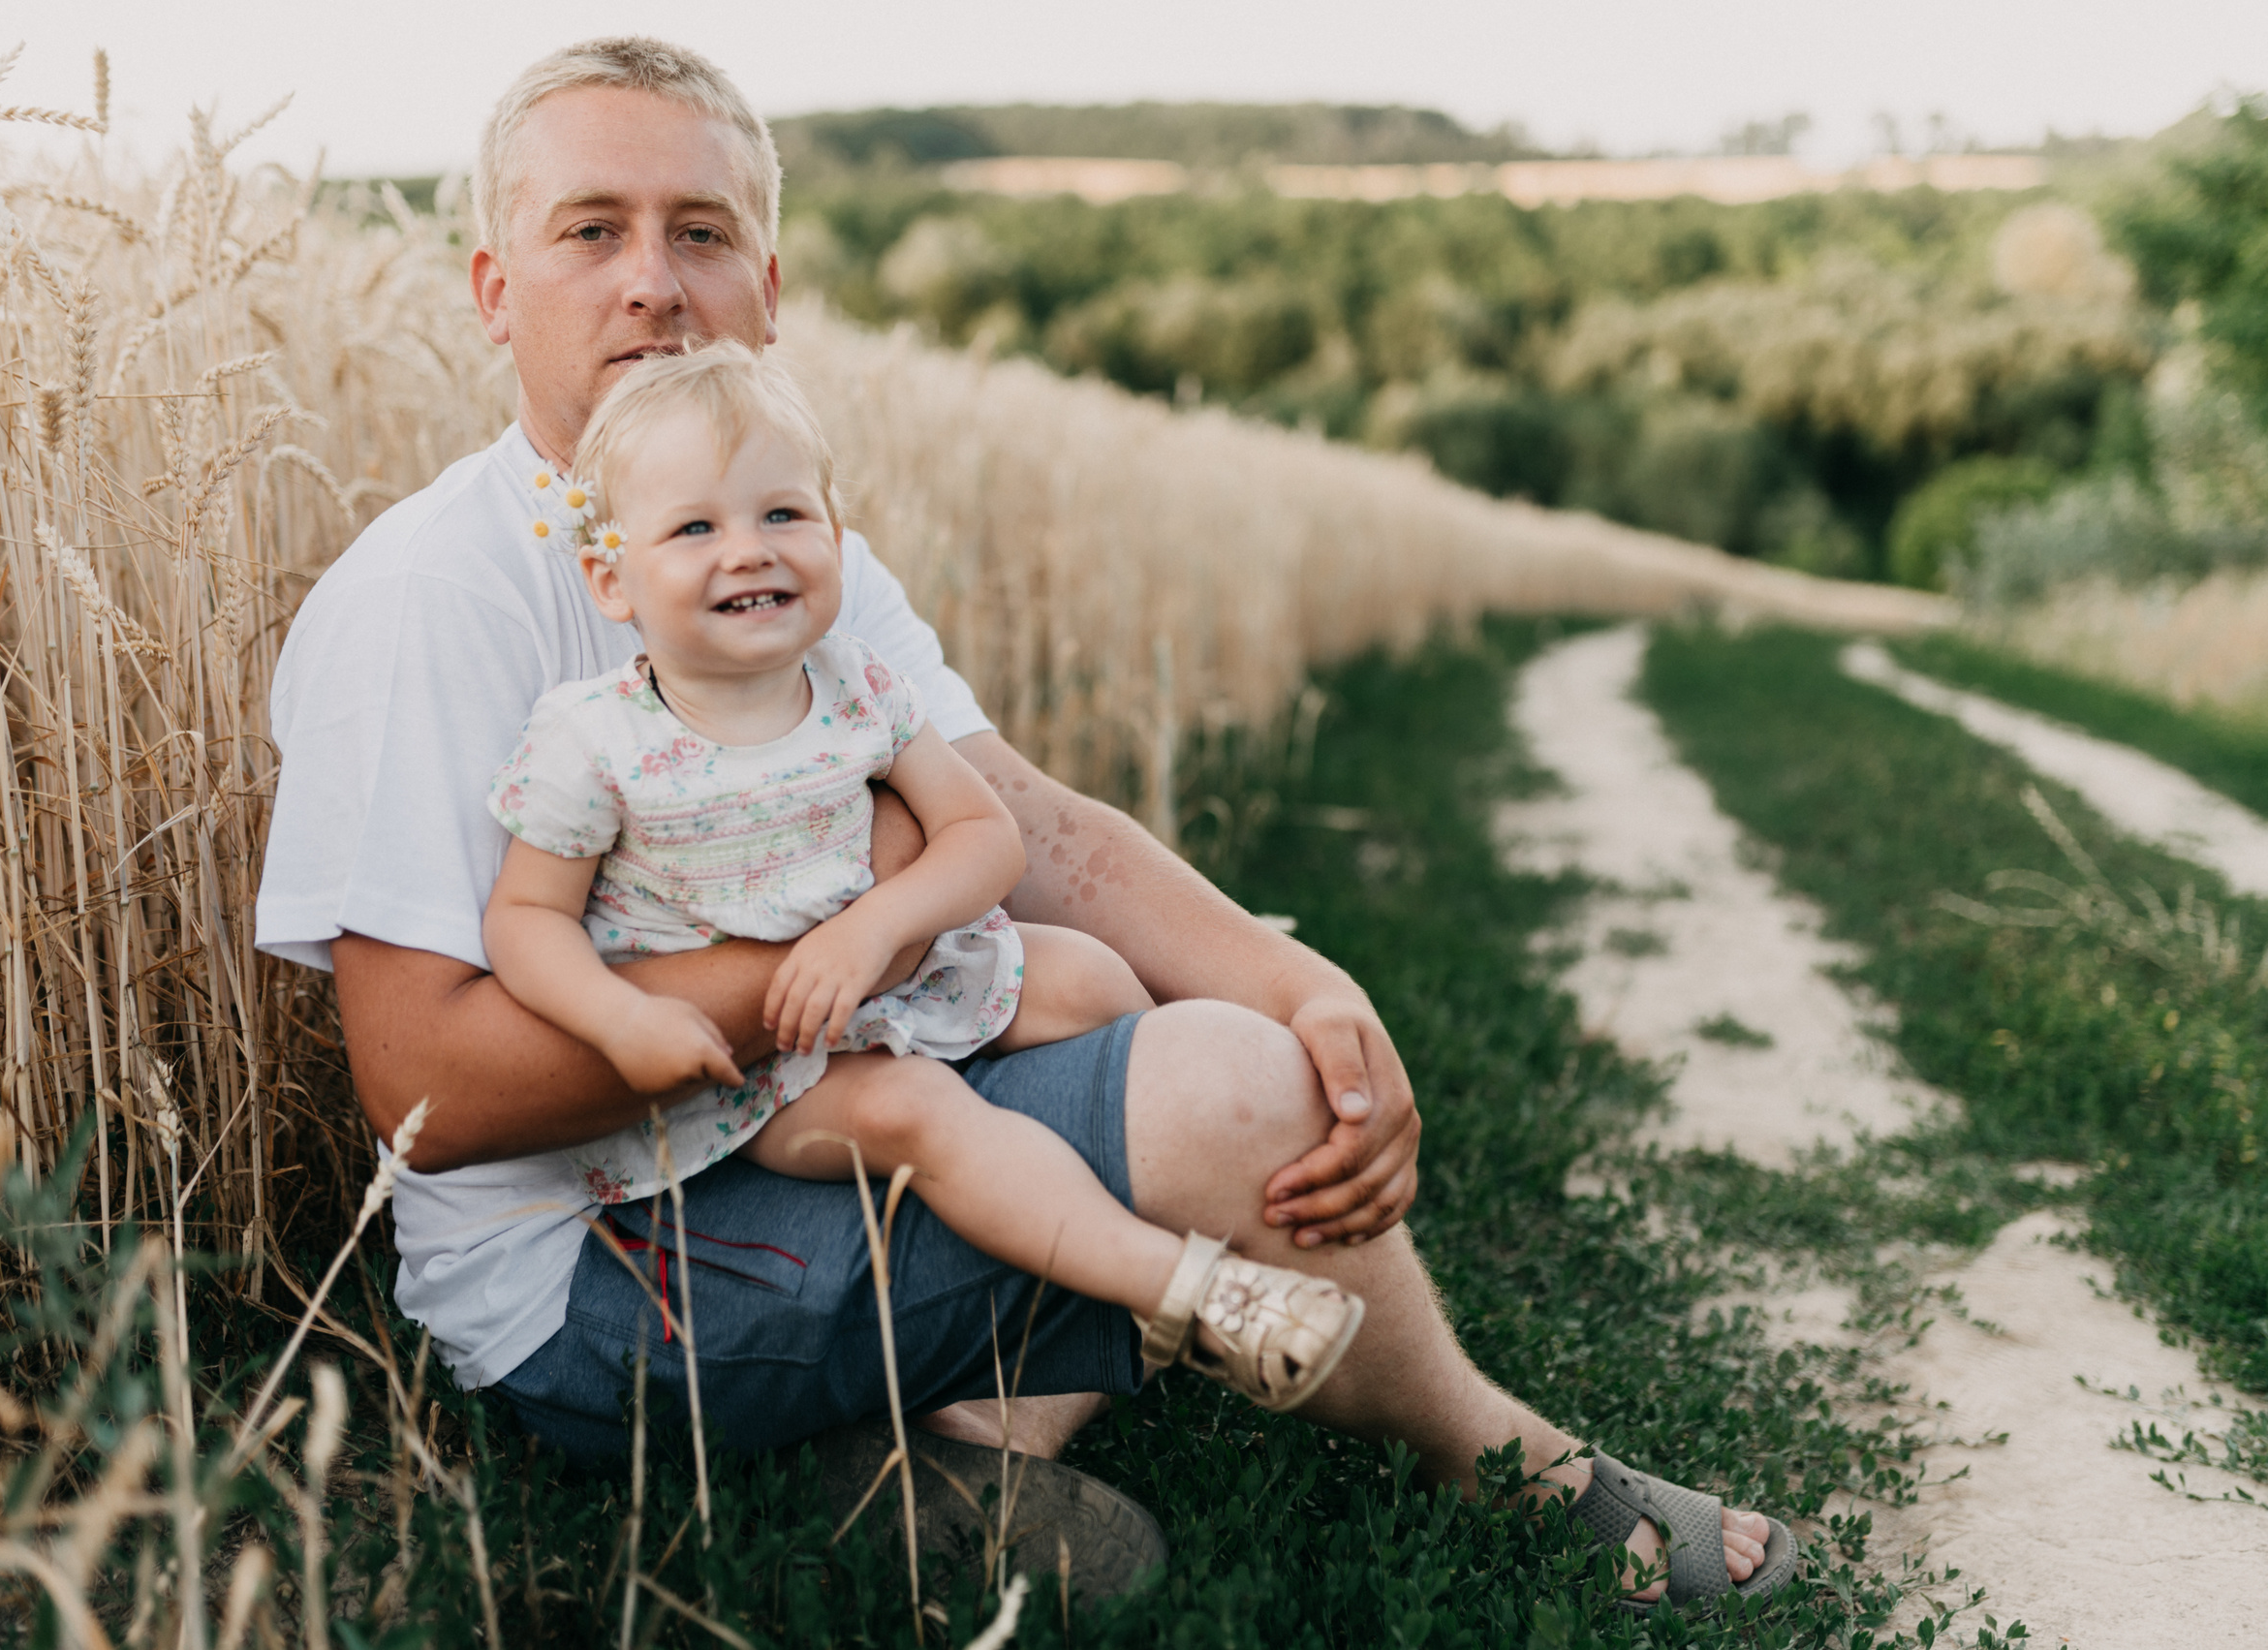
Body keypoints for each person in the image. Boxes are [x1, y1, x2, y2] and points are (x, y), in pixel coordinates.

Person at [254, 33, 1796, 1609]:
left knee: (1178, 988)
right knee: (1228, 1092)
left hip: (787, 1120)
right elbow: (427, 1089)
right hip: (597, 1274)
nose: (654, 282)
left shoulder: (781, 551)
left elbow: (1036, 829)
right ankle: (1506, 1460)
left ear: (765, 289)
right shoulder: (437, 600)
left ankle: (958, 1448)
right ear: (496, 288)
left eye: (700, 232)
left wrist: (1310, 989)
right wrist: (826, 956)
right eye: (592, 231)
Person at [479, 341, 1365, 1414]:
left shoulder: (857, 687)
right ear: (611, 576)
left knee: (1086, 975)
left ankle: (1126, 1240)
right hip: (767, 1073)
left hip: (890, 975)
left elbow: (984, 838)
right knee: (917, 1108)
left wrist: (874, 927)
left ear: (836, 535)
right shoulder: (594, 740)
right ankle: (1188, 1289)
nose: (747, 552)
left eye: (783, 516)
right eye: (695, 528)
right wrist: (620, 1024)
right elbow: (527, 920)